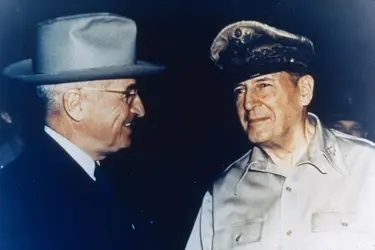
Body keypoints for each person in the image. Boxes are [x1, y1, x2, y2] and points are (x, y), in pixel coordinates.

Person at [186, 21, 375, 250]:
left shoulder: (366, 169)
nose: (247, 103)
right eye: (240, 90)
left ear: (304, 91)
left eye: (263, 85)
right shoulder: (222, 191)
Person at [0, 13, 164, 250]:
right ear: (75, 104)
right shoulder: (20, 199)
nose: (140, 108)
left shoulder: (109, 176)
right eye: (128, 94)